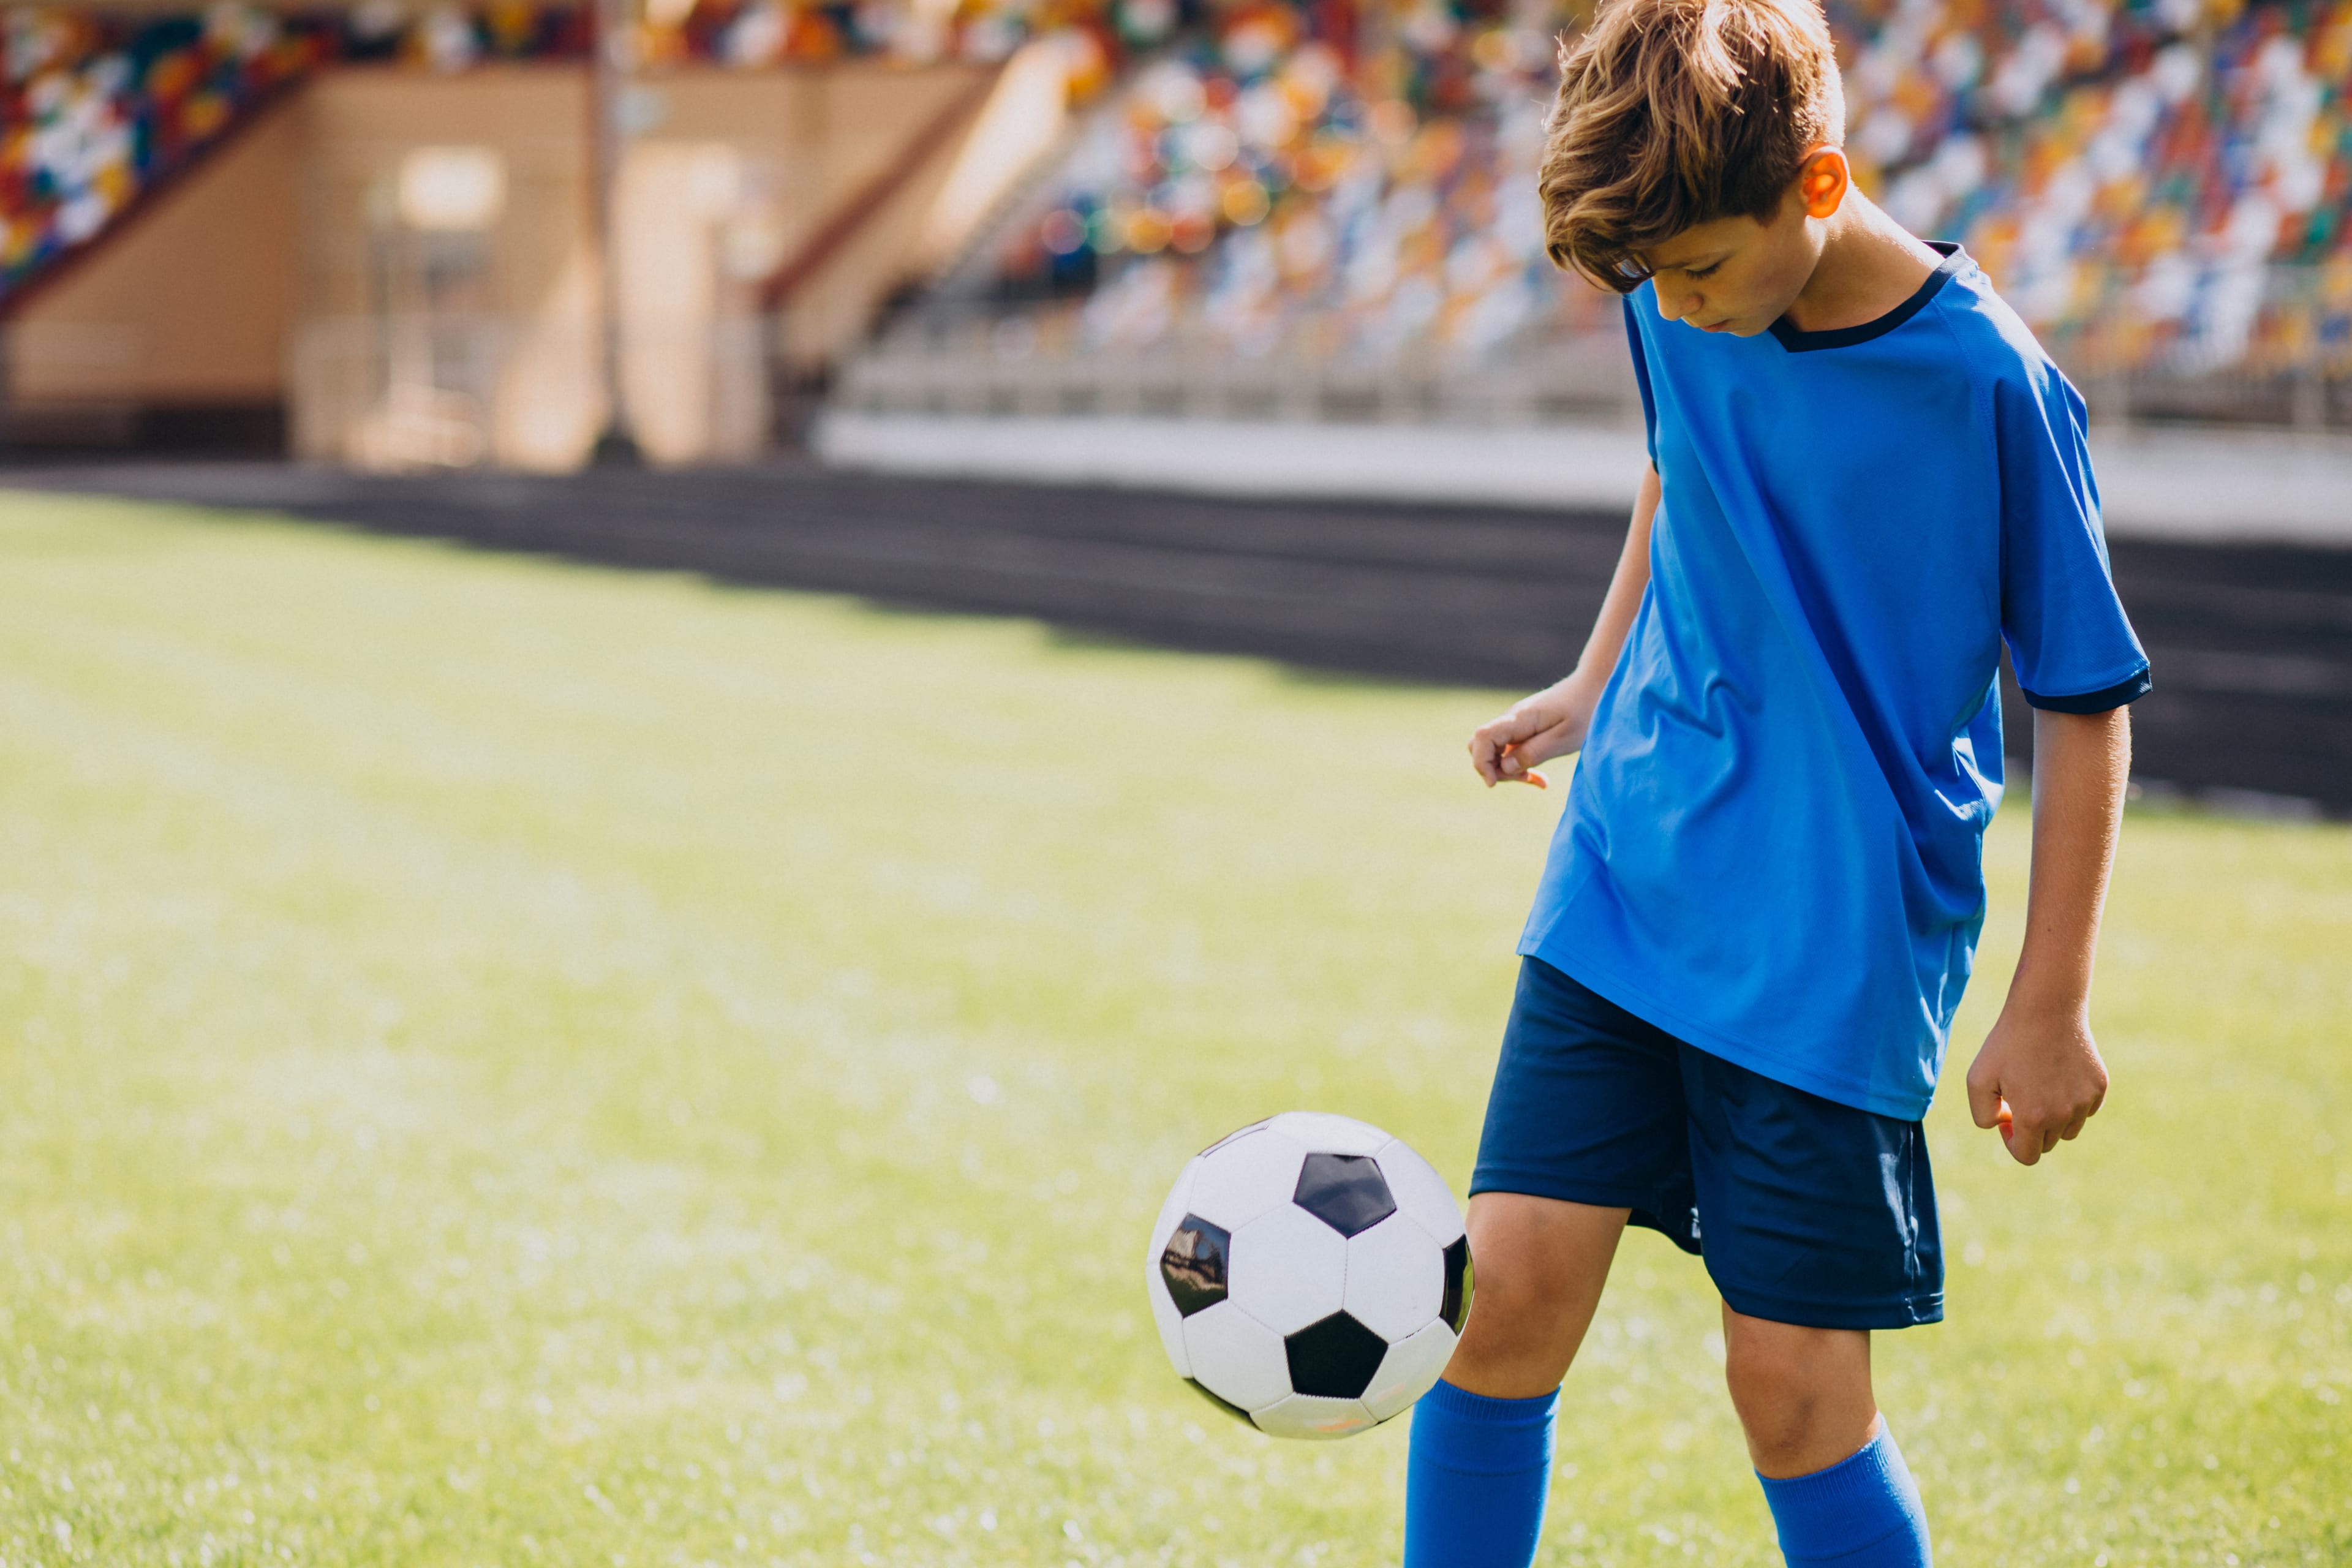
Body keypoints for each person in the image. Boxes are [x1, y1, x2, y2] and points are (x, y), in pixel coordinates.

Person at [1402, 0, 2150, 1562]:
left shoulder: (1989, 382)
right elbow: (1682, 464)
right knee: (1500, 1304)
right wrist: (1595, 680)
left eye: (1699, 273)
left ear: (1816, 186)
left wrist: (2052, 994)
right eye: (1655, 284)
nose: (1677, 308)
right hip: (1629, 874)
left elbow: (2081, 700)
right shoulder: (1677, 288)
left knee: (1793, 1390)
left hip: (1835, 941)